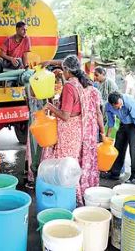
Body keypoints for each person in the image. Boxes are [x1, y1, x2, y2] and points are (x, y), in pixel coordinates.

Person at [41, 55, 105, 205]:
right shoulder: (80, 84)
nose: (63, 73)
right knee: (72, 164)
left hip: (68, 130)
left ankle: (74, 201)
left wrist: (49, 106)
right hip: (77, 129)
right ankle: (74, 199)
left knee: (66, 166)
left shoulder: (70, 86)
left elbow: (65, 115)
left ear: (67, 70)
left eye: (63, 70)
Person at [105, 91, 135, 184]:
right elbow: (111, 122)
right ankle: (115, 173)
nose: (120, 107)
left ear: (121, 99)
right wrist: (107, 137)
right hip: (124, 122)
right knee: (118, 147)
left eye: (120, 105)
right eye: (117, 107)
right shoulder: (108, 106)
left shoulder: (129, 102)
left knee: (134, 149)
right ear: (111, 105)